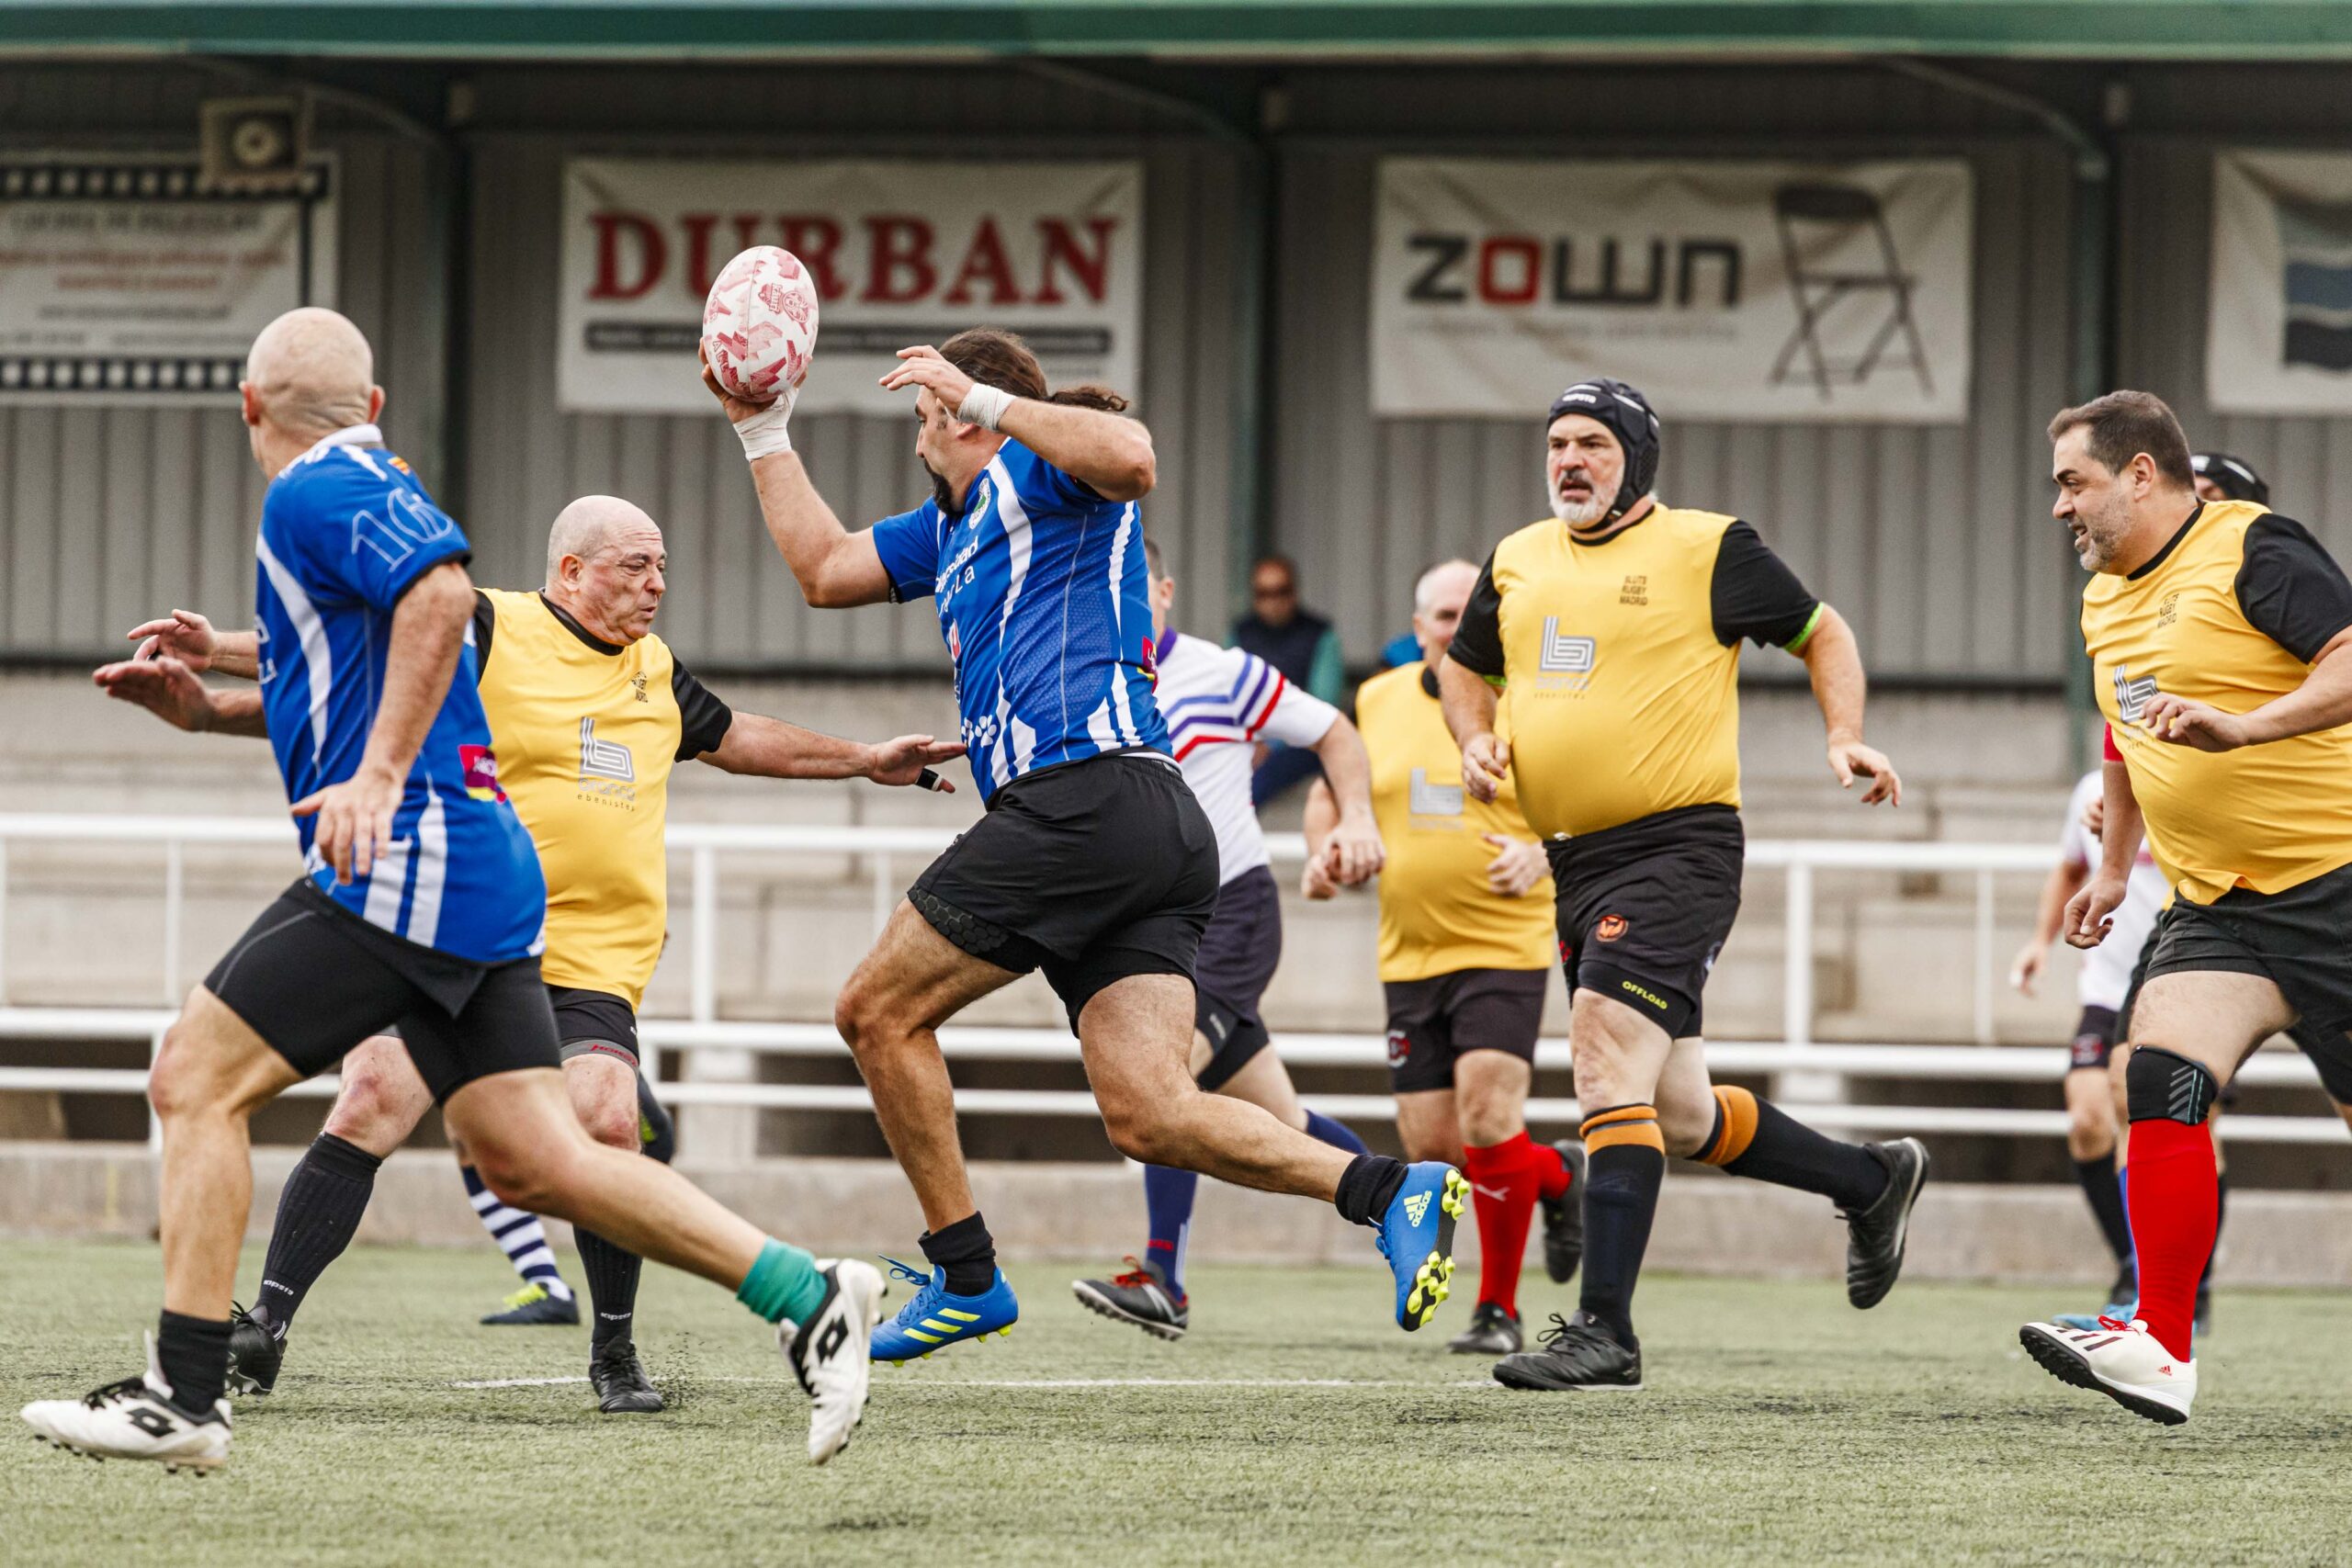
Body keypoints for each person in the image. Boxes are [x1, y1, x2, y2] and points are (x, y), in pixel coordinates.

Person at [19, 310, 883, 1471]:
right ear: (372, 407)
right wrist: (211, 704)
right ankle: (809, 1291)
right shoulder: (374, 479)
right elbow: (366, 662)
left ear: (246, 407)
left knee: (194, 1077)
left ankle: (183, 1389)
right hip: (480, 875)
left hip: (410, 864)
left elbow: (435, 595)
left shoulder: (311, 491)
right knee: (543, 1161)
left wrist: (376, 778)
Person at [705, 326, 1467, 1362]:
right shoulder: (948, 529)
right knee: (1152, 1114)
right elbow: (825, 569)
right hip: (1138, 826)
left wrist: (980, 398)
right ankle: (1386, 1190)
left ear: (955, 418)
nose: (918, 441)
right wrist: (762, 428)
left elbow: (1135, 456)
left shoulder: (1047, 467)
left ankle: (966, 1275)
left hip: (1085, 800)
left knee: (873, 1012)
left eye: (926, 422)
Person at [100, 493, 954, 1414]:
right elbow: (361, 663)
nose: (656, 583)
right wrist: (220, 652)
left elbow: (742, 736)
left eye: (661, 566)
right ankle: (265, 1325)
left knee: (608, 1123)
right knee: (374, 1093)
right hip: (464, 931)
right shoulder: (493, 626)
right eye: (636, 565)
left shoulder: (654, 672)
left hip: (592, 959)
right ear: (571, 571)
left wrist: (865, 758)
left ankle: (616, 1353)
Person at [1438, 377, 1927, 1393]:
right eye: (1558, 443)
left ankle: (1605, 1331)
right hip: (1574, 863)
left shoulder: (1710, 548)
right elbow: (1462, 666)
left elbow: (1821, 632)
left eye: (1594, 446)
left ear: (1637, 462)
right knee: (1680, 1111)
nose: (1569, 461)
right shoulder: (1518, 557)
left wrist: (1843, 735)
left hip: (1676, 848)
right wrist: (1476, 737)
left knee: (1602, 1054)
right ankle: (1867, 1179)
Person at [2019, 392, 2352, 1425]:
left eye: (2072, 484)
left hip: (2338, 886)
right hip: (2221, 907)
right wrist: (2114, 872)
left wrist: (2247, 729)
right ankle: (2160, 1345)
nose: (2059, 508)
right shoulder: (2102, 600)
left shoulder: (2255, 548)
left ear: (2140, 476)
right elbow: (2126, 739)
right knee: (2156, 1073)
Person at [1070, 537, 1385, 1338]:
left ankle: (1162, 1279)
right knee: (1282, 1122)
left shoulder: (1222, 671)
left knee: (1161, 1084)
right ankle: (1405, 1195)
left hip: (1230, 912)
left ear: (1166, 591)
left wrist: (1353, 817)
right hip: (1151, 927)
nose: (1121, 607)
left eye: (1134, 590)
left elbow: (1334, 730)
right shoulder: (1085, 684)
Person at [1302, 558, 1585, 1357]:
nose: (1455, 628)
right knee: (1435, 1147)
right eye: (1442, 616)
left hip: (1506, 942)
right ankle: (1561, 1176)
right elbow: (1331, 797)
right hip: (1409, 952)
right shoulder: (1375, 699)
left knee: (1490, 1113)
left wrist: (1543, 853)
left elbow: (1598, 806)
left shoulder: (1532, 702)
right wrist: (1326, 852)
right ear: (1418, 627)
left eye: (1471, 613)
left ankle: (1497, 1309)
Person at [2009, 766, 2165, 1322]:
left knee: (2185, 1128)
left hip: (2175, 982)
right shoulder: (2089, 789)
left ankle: (2187, 1286)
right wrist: (2039, 942)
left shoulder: (2188, 770)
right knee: (2089, 1120)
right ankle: (2131, 1263)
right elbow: (2070, 868)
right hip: (2106, 987)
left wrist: (2140, 819)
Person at [1232, 554, 1347, 805]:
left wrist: (1271, 743)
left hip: (1300, 744)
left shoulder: (1319, 635)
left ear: (1294, 592)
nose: (1273, 602)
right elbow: (1226, 697)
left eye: (1281, 591)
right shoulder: (1240, 633)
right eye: (1264, 593)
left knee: (1255, 784)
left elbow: (1322, 705)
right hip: (1247, 740)